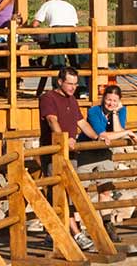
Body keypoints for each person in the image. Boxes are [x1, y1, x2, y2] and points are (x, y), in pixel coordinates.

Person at [37, 67, 101, 250]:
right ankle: (77, 234)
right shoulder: (48, 98)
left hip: (71, 154)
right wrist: (63, 139)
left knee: (69, 194)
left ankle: (52, 233)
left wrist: (97, 137)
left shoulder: (72, 100)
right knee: (60, 194)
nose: (73, 87)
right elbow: (51, 120)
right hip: (54, 154)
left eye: (75, 84)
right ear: (60, 81)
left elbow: (81, 123)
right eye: (69, 83)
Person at [29, 0, 87, 96]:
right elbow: (75, 22)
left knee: (58, 61)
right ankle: (81, 90)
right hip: (72, 31)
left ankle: (58, 89)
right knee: (75, 61)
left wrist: (26, 28)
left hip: (57, 30)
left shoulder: (47, 4)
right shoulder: (69, 5)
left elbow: (35, 24)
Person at [79, 85, 137, 165]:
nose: (111, 103)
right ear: (103, 98)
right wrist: (126, 132)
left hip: (106, 149)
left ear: (119, 102)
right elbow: (102, 135)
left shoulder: (121, 110)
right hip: (87, 149)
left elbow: (117, 132)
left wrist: (115, 113)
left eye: (115, 101)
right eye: (109, 100)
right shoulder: (93, 111)